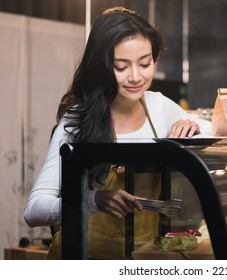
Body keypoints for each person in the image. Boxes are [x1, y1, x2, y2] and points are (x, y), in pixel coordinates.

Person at [24, 7, 211, 259]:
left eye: (145, 64)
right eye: (121, 67)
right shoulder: (77, 120)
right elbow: (34, 209)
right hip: (85, 260)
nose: (136, 77)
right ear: (101, 66)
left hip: (143, 259)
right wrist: (93, 199)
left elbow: (216, 131)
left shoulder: (159, 106)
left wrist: (196, 125)